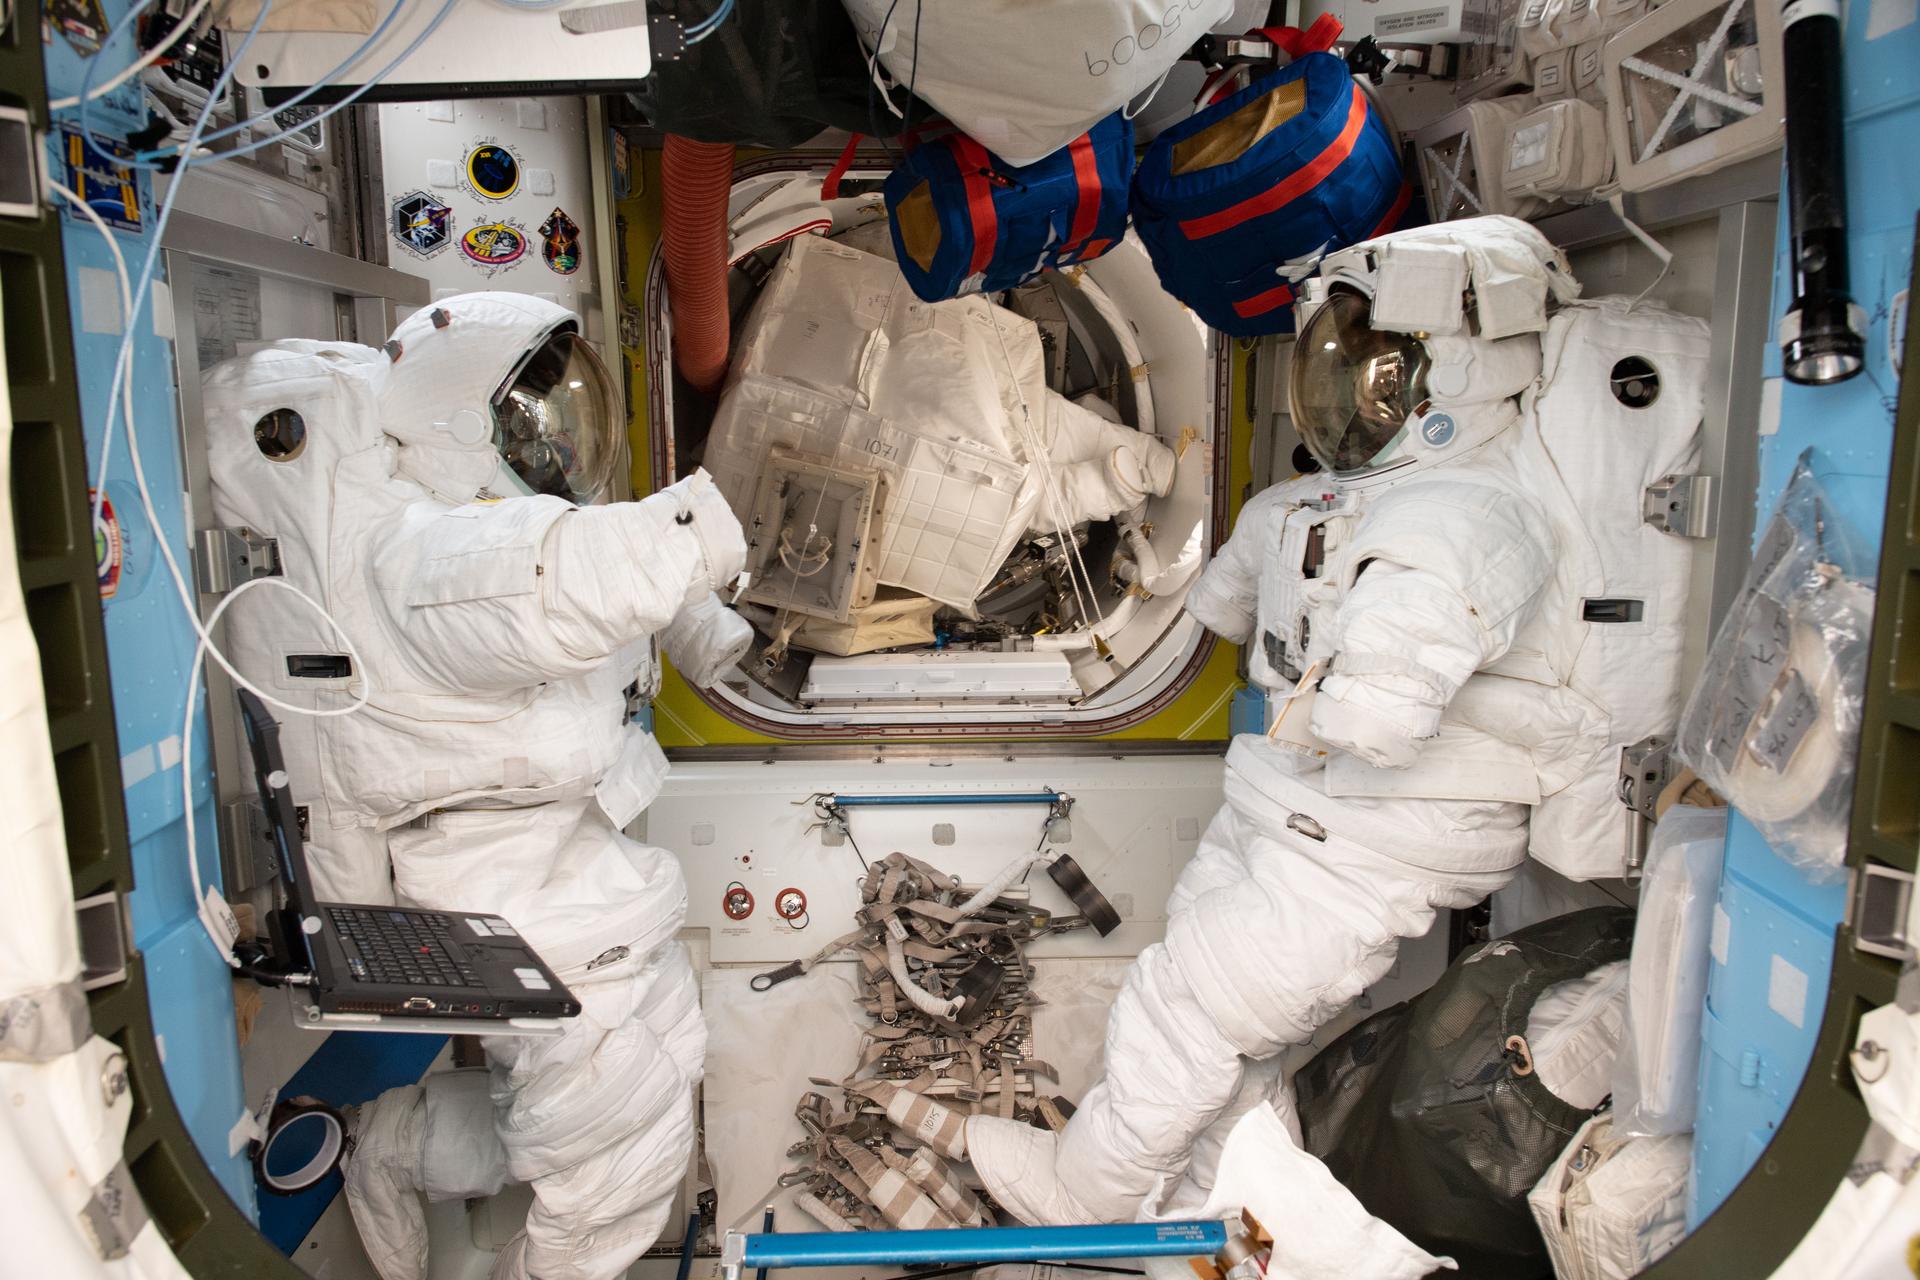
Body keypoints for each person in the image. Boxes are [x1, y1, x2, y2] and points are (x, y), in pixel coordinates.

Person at [966, 215, 1709, 1225]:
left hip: (1368, 845)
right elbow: (1220, 606)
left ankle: (1085, 1193)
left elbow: (1381, 716)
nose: (1342, 391)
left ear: (1454, 375)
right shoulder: (1324, 505)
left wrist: (1345, 660)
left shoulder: (1469, 517)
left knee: (1186, 1006)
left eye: (1373, 365)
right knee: (1214, 1002)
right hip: (1291, 811)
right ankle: (1207, 1183)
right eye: (1333, 360)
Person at [201, 293, 752, 1280]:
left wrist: (700, 621)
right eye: (536, 422)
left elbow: (576, 589)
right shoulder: (423, 555)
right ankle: (424, 1170)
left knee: (655, 1072)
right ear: (463, 421)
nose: (562, 445)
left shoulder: (469, 532)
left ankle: (396, 1144)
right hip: (500, 880)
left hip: (561, 864)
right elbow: (553, 580)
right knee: (613, 1169)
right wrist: (693, 531)